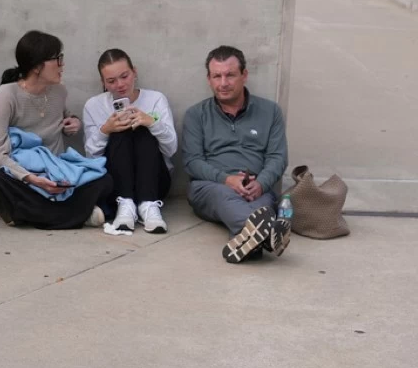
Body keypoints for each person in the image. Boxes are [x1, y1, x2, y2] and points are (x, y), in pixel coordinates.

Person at [0, 31, 113, 230]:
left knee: (105, 180)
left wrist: (74, 122)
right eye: (57, 59)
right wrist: (31, 178)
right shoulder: (7, 95)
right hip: (25, 174)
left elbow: (65, 116)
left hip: (57, 170)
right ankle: (74, 214)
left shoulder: (59, 90)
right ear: (37, 66)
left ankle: (24, 212)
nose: (62, 64)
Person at [181, 46, 292, 263]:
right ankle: (268, 234)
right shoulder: (196, 115)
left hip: (257, 188)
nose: (223, 83)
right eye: (217, 76)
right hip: (211, 187)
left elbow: (278, 157)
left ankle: (249, 240)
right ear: (209, 79)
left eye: (230, 75)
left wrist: (260, 183)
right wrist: (227, 180)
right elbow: (192, 162)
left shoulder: (270, 111)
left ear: (244, 75)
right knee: (229, 198)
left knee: (261, 208)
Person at [82, 50, 177, 235]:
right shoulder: (93, 105)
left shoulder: (156, 99)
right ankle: (125, 204)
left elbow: (171, 149)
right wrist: (105, 130)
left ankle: (148, 206)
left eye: (124, 76)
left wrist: (152, 123)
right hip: (114, 185)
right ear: (103, 83)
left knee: (142, 127)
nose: (120, 85)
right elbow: (91, 158)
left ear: (134, 72)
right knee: (119, 128)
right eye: (111, 81)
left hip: (156, 181)